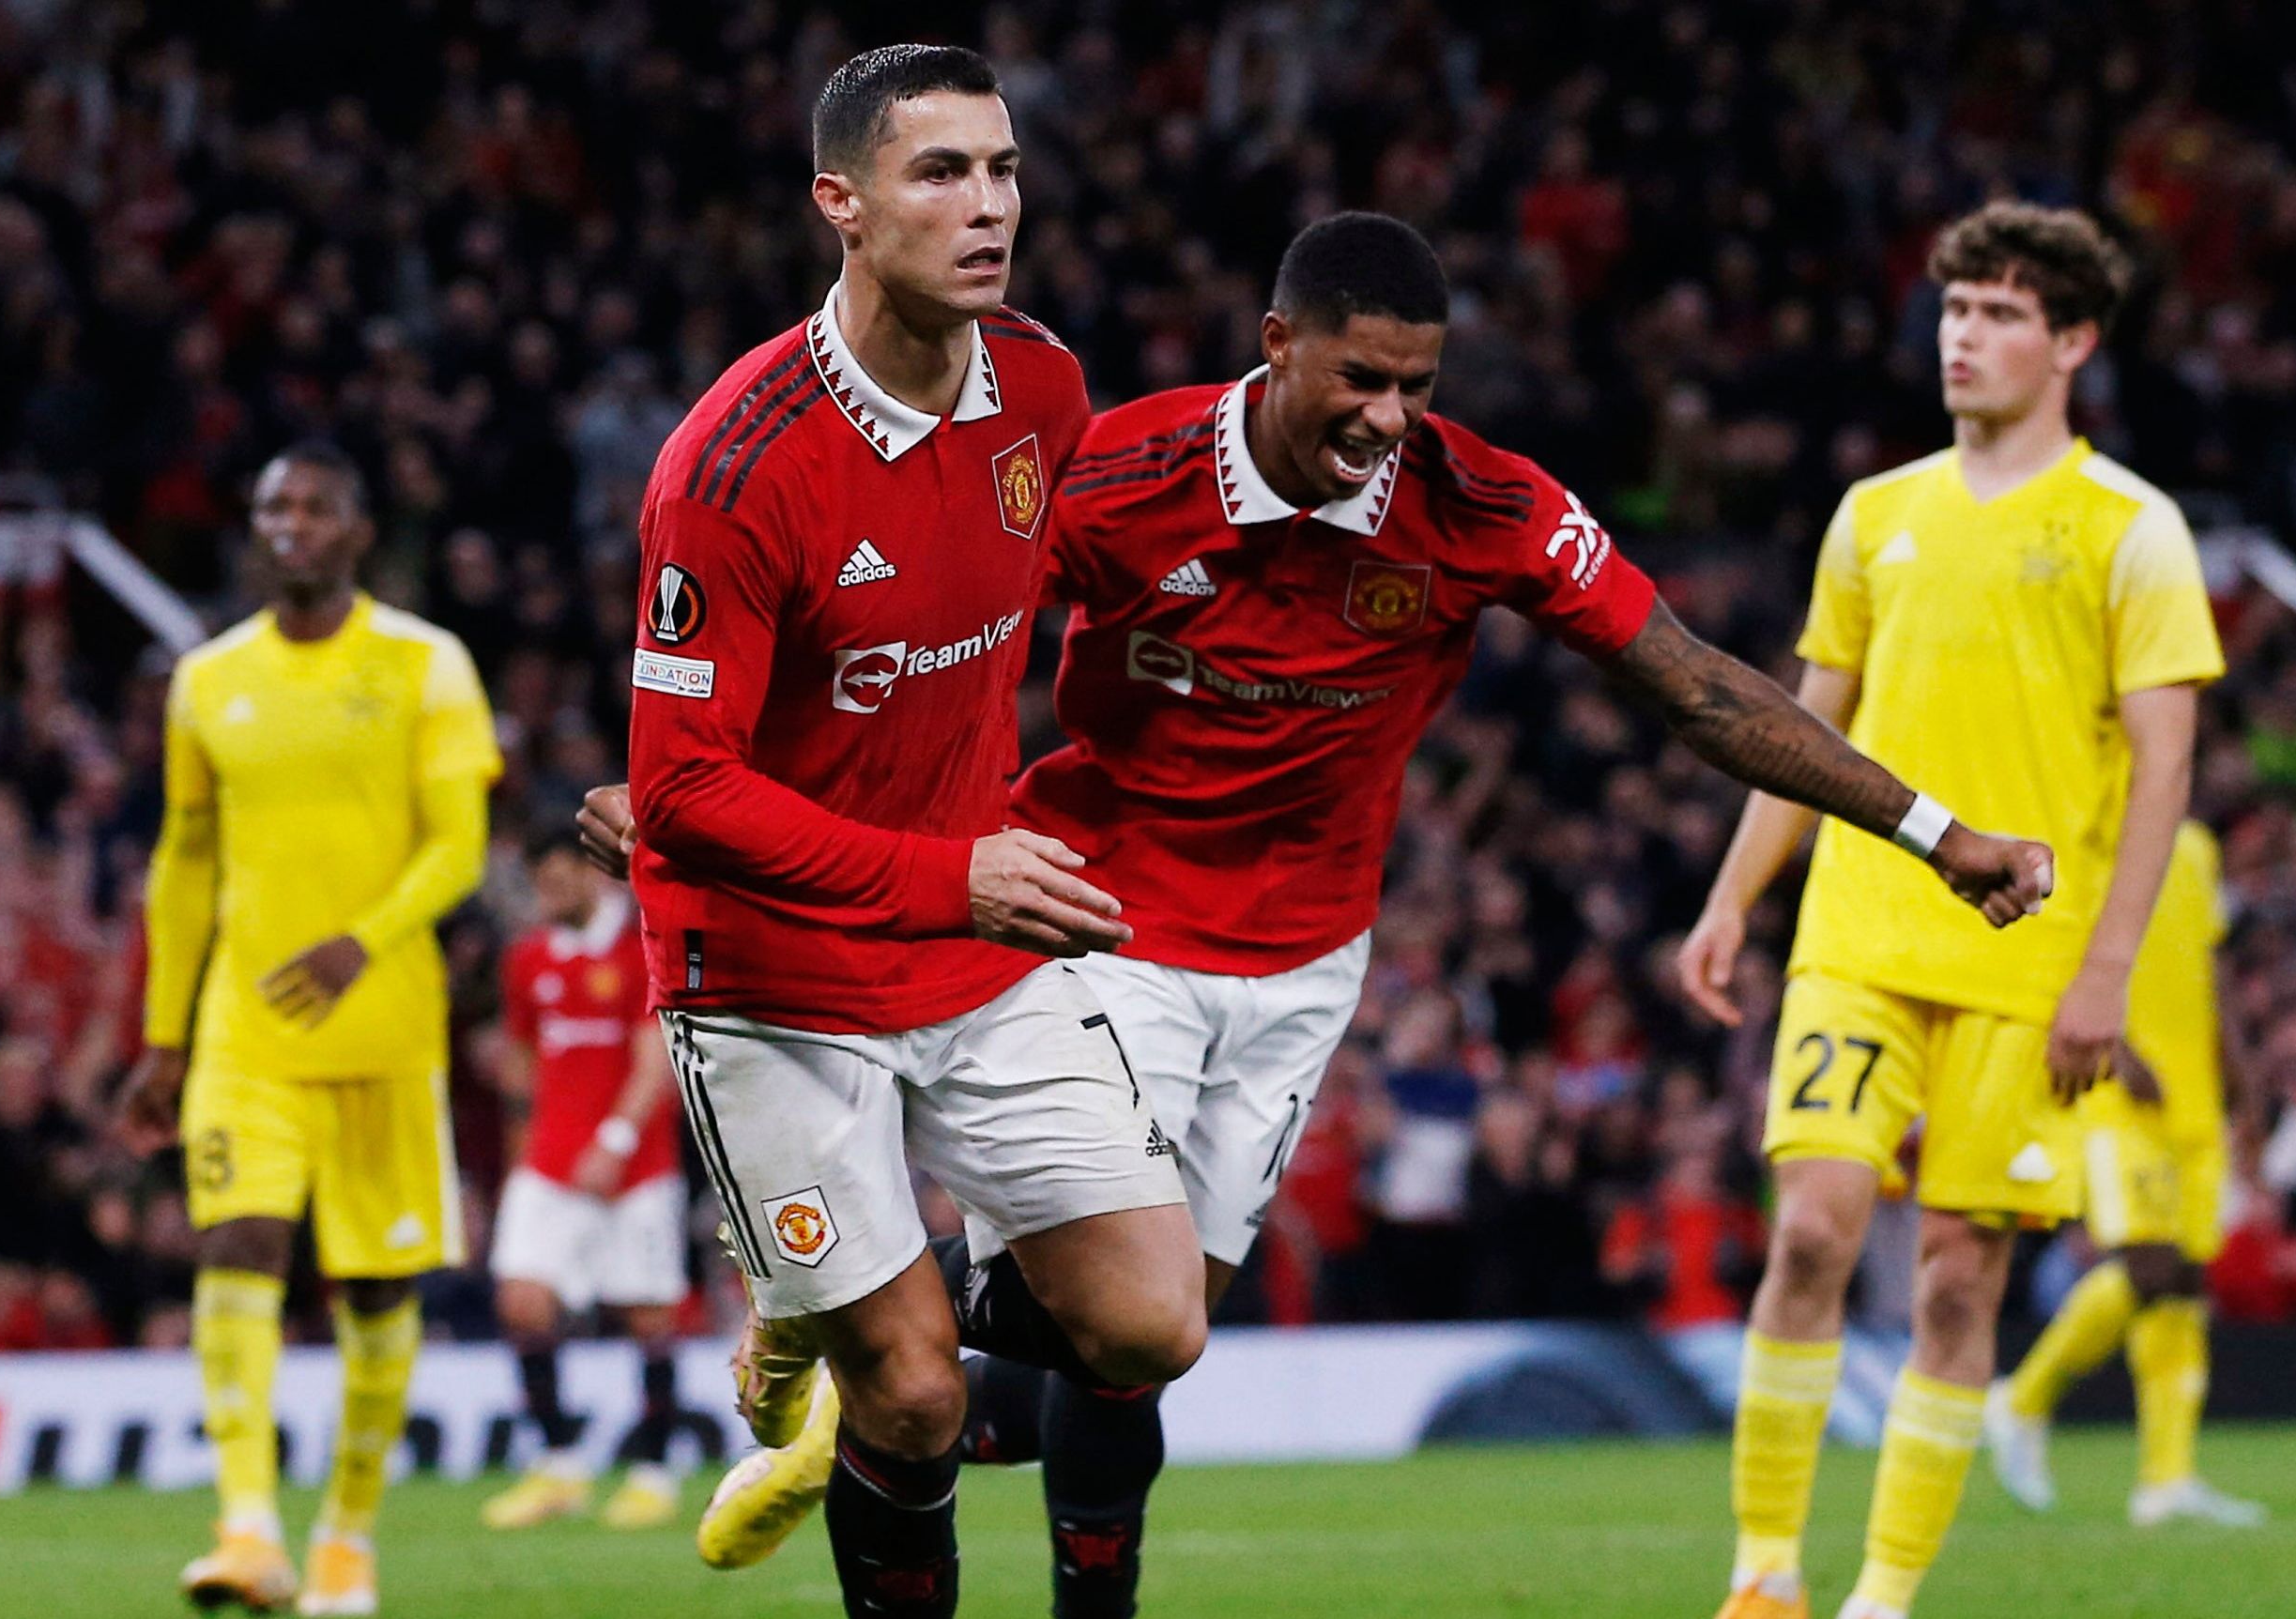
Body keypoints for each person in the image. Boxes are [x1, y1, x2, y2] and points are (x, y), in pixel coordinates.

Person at [589, 209, 2059, 1618]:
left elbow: (1695, 683)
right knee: (1107, 1332)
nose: (1387, 415)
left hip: (1301, 962)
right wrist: (694, 790)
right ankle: (873, 1347)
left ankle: (850, 1364)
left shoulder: (1481, 508)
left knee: (1143, 1347)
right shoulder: (1111, 473)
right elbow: (905, 628)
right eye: (1359, 377)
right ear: (1276, 344)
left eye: (1416, 385)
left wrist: (1931, 831)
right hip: (1099, 922)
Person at [616, 45, 1201, 1619]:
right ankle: (855, 1330)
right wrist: (955, 870)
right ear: (841, 205)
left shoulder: (1046, 389)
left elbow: (1068, 593)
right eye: (940, 173)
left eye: (1002, 170)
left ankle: (848, 1298)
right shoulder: (729, 470)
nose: (988, 205)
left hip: (969, 951)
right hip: (770, 973)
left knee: (1153, 1320)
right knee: (918, 1399)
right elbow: (681, 791)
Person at [1676, 201, 2225, 1619]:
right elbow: (1808, 732)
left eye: (1998, 315)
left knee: (1963, 1282)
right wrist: (1737, 894)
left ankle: (1883, 1600)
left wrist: (2107, 971)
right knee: (1811, 1228)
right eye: (1954, 310)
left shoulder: (2134, 532)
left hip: (2027, 962)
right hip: (1859, 930)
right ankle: (1763, 1577)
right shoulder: (1877, 516)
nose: (1963, 337)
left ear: (2074, 343)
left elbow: (2166, 771)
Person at [118, 442, 502, 1616]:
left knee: (376, 1297)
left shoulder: (425, 664)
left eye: (315, 506)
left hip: (384, 1029)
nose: (289, 523)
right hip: (245, 1032)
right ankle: (246, 1528)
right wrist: (165, 1033)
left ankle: (344, 1537)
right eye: (273, 506)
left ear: (356, 530)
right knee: (235, 1244)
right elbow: (184, 861)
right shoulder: (207, 678)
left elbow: (458, 846)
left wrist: (361, 939)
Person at [1985, 819, 2265, 1527]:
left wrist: (2238, 1064)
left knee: (2186, 1278)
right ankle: (2021, 1399)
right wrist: (2112, 1042)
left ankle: (2166, 1479)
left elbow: (2210, 966)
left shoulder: (2198, 846)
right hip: (2119, 1092)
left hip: (2194, 1095)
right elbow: (2052, 950)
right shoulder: (2083, 830)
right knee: (2151, 1263)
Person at [480, 831, 689, 1533]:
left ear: (590, 875)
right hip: (549, 1161)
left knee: (646, 1314)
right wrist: (518, 1155)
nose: (549, 893)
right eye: (540, 881)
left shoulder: (639, 949)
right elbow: (519, 1058)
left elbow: (653, 1053)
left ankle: (654, 1471)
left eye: (558, 877)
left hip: (635, 1164)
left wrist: (617, 1139)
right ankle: (561, 1465)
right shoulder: (527, 960)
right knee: (521, 1301)